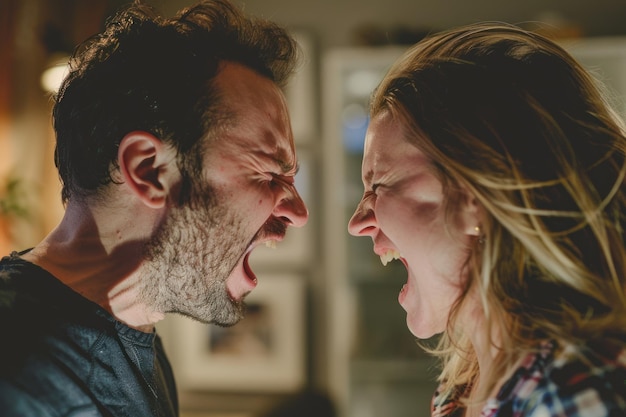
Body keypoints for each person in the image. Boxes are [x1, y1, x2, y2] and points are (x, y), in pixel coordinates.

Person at [0, 0, 308, 415]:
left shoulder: (144, 346)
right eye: (269, 173)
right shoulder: (18, 364)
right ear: (149, 170)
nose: (297, 211)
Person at [348, 22, 626, 417]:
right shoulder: (460, 389)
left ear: (475, 198)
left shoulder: (577, 392)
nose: (357, 223)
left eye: (380, 184)